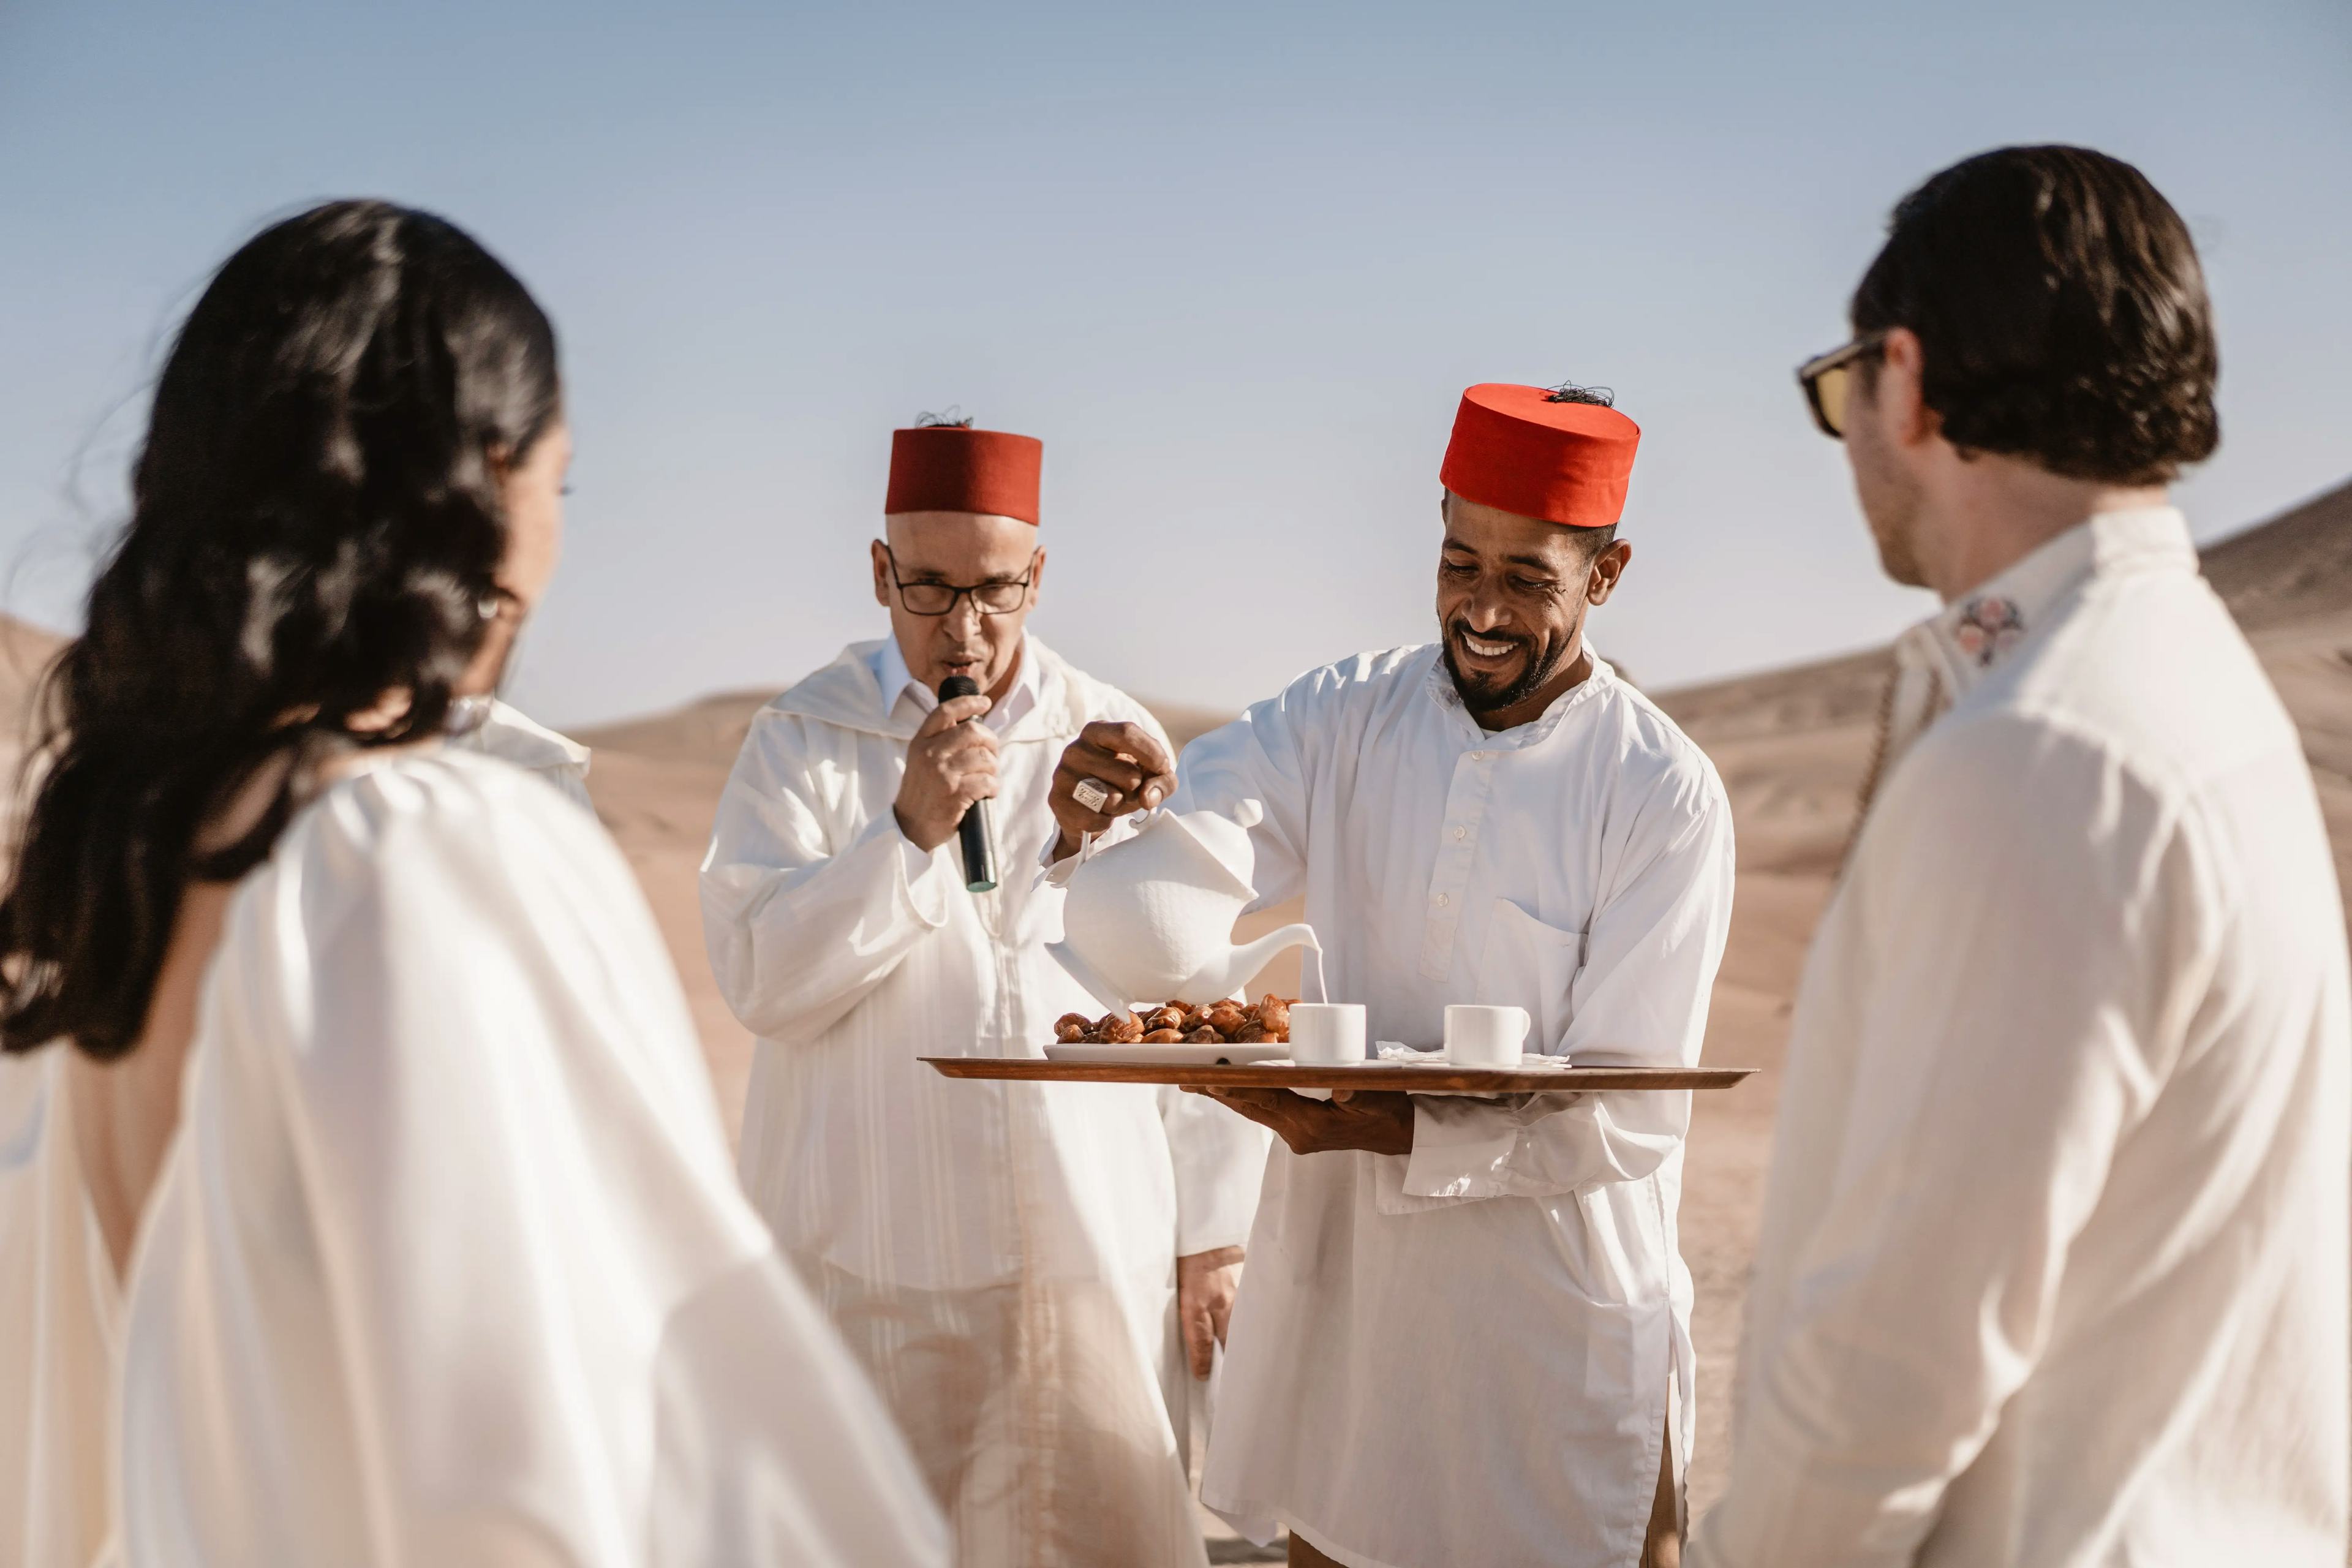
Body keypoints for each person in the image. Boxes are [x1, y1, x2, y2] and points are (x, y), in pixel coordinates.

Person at [0, 200, 947, 1567]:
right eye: (560, 483)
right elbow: (564, 1468)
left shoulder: (107, 880)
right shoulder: (411, 848)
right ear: (490, 477)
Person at [1689, 146, 2350, 1565]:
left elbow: (1899, 1349)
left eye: (1838, 394)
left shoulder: (2048, 752)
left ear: (1907, 382)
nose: (1848, 441)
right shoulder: (2178, 682)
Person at [1048, 384, 1737, 1567]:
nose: (1480, 607)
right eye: (1460, 560)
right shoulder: (1344, 714)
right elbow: (1200, 832)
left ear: (1607, 575)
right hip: (1356, 1315)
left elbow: (1628, 1115)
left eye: (1530, 578)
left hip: (1550, 1322)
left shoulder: (1661, 792)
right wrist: (1112, 811)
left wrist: (1390, 1129)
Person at [700, 418, 1270, 1567]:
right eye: (929, 589)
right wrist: (906, 833)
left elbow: (1181, 983)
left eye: (997, 592)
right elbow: (763, 981)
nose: (965, 627)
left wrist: (1211, 1232)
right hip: (869, 1246)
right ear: (879, 573)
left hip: (1084, 1242)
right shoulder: (803, 740)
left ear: (1039, 577)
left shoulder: (1110, 737)